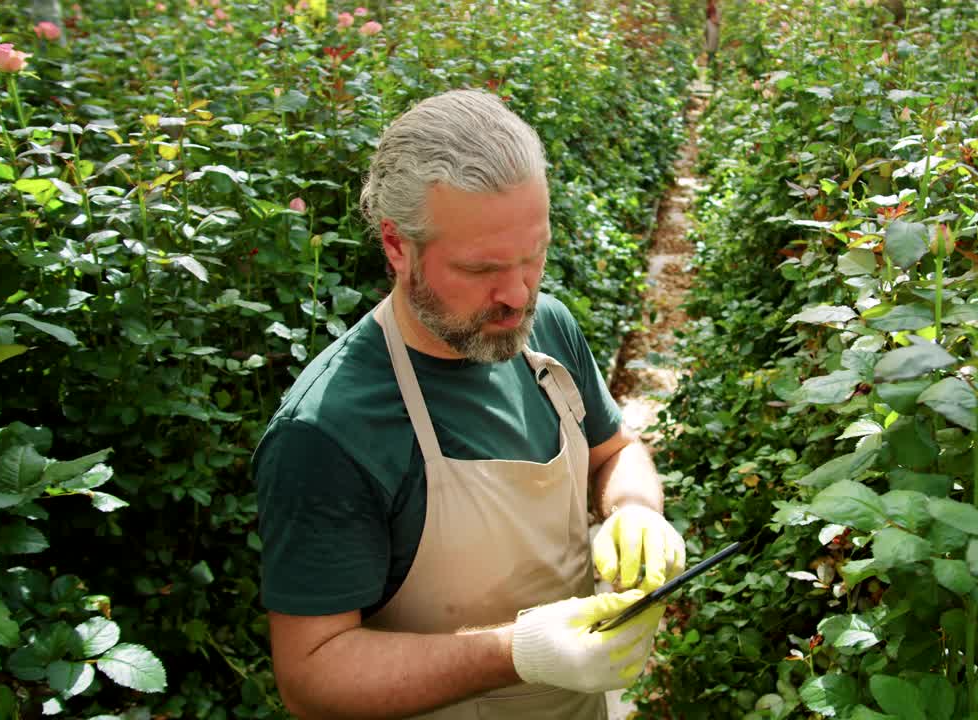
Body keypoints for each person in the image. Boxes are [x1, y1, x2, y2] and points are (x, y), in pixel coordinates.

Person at [253, 89, 687, 720]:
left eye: (532, 256)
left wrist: (634, 510)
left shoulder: (549, 331)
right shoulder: (330, 431)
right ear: (398, 247)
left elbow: (614, 450)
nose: (517, 294)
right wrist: (516, 652)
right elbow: (311, 674)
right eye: (482, 268)